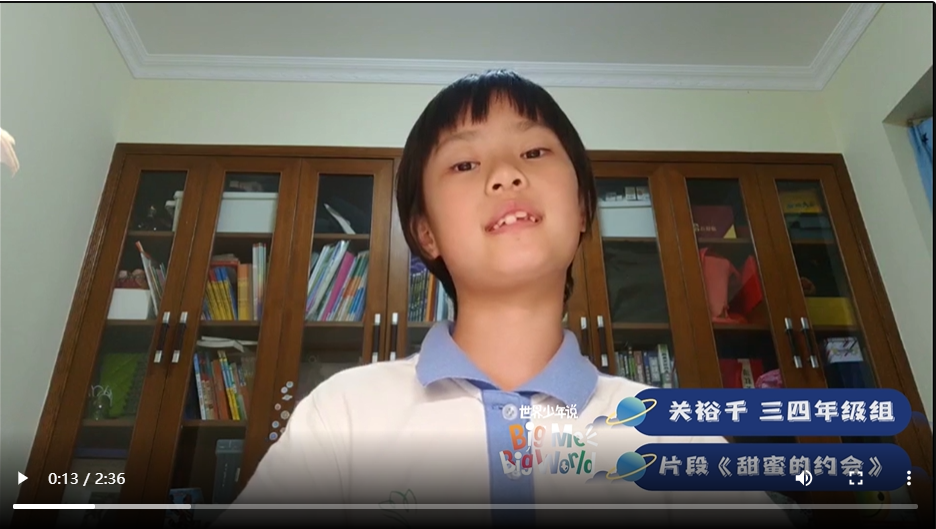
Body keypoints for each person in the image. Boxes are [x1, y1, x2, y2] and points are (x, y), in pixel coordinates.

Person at [213, 70, 795, 528]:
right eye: (465, 163)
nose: (505, 175)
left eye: (534, 152)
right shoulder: (344, 414)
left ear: (583, 207)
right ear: (426, 233)